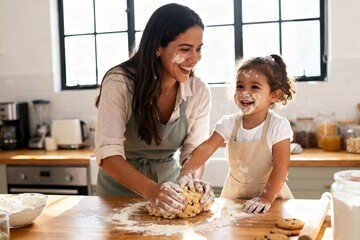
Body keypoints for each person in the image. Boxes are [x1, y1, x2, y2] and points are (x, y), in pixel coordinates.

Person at [94, 3, 214, 218]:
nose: (194, 59)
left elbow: (193, 154)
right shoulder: (119, 83)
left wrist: (192, 181)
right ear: (158, 47)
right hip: (116, 197)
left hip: (171, 198)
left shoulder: (198, 91)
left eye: (199, 49)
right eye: (185, 49)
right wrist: (151, 191)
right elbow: (108, 153)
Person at [177, 54, 296, 214]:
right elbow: (205, 150)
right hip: (234, 199)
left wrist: (266, 198)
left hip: (271, 201)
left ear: (273, 95)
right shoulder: (229, 123)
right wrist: (186, 172)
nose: (245, 92)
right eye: (240, 86)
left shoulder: (278, 126)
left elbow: (281, 167)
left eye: (254, 87)